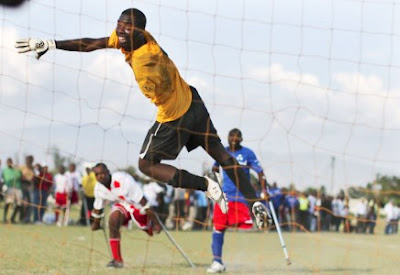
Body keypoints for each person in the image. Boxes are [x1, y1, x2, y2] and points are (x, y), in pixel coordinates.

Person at [15, 8, 269, 229]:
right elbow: (93, 43)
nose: (121, 31)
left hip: (174, 116)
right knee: (223, 156)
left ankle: (206, 184)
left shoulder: (146, 62)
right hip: (194, 102)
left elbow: (155, 88)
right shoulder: (138, 38)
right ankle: (254, 200)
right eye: (119, 25)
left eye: (127, 27)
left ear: (140, 31)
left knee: (146, 165)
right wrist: (51, 43)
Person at [207, 128, 269, 273]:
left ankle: (261, 221)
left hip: (242, 196)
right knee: (218, 227)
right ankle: (217, 262)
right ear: (227, 138)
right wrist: (212, 184)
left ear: (241, 139)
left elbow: (259, 172)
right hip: (225, 196)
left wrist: (264, 190)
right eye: (231, 137)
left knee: (246, 226)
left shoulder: (247, 153)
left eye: (237, 138)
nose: (233, 140)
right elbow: (215, 168)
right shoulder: (221, 151)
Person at [90, 163, 161, 268]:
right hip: (122, 205)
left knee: (145, 226)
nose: (100, 176)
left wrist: (156, 222)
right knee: (113, 221)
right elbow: (98, 208)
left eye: (103, 173)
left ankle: (148, 225)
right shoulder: (98, 188)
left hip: (137, 205)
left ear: (108, 172)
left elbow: (144, 203)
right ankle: (117, 261)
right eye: (97, 174)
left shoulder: (123, 180)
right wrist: (96, 224)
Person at [2, 158, 22, 223]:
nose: (9, 163)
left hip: (17, 188)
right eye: (8, 162)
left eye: (10, 162)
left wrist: (17, 169)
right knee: (8, 202)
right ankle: (5, 218)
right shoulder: (4, 170)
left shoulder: (16, 170)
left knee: (19, 204)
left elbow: (19, 176)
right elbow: (4, 178)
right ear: (6, 163)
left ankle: (12, 218)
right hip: (9, 188)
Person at [19, 155, 35, 223]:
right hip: (23, 186)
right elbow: (21, 177)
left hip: (30, 187)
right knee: (23, 203)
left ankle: (27, 218)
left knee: (31, 203)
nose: (28, 161)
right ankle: (22, 218)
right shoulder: (22, 167)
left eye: (30, 160)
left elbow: (33, 178)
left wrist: (28, 179)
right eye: (27, 160)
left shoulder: (33, 168)